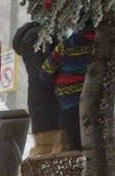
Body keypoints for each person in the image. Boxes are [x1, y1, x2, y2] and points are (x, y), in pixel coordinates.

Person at [40, 24, 97, 153]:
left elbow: (45, 72)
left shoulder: (66, 45)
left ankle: (82, 171)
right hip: (95, 100)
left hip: (69, 101)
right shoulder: (101, 44)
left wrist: (61, 79)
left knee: (75, 144)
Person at [13, 22, 65, 157]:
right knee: (44, 151)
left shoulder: (46, 33)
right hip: (46, 109)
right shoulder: (36, 36)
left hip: (51, 107)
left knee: (54, 151)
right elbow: (46, 68)